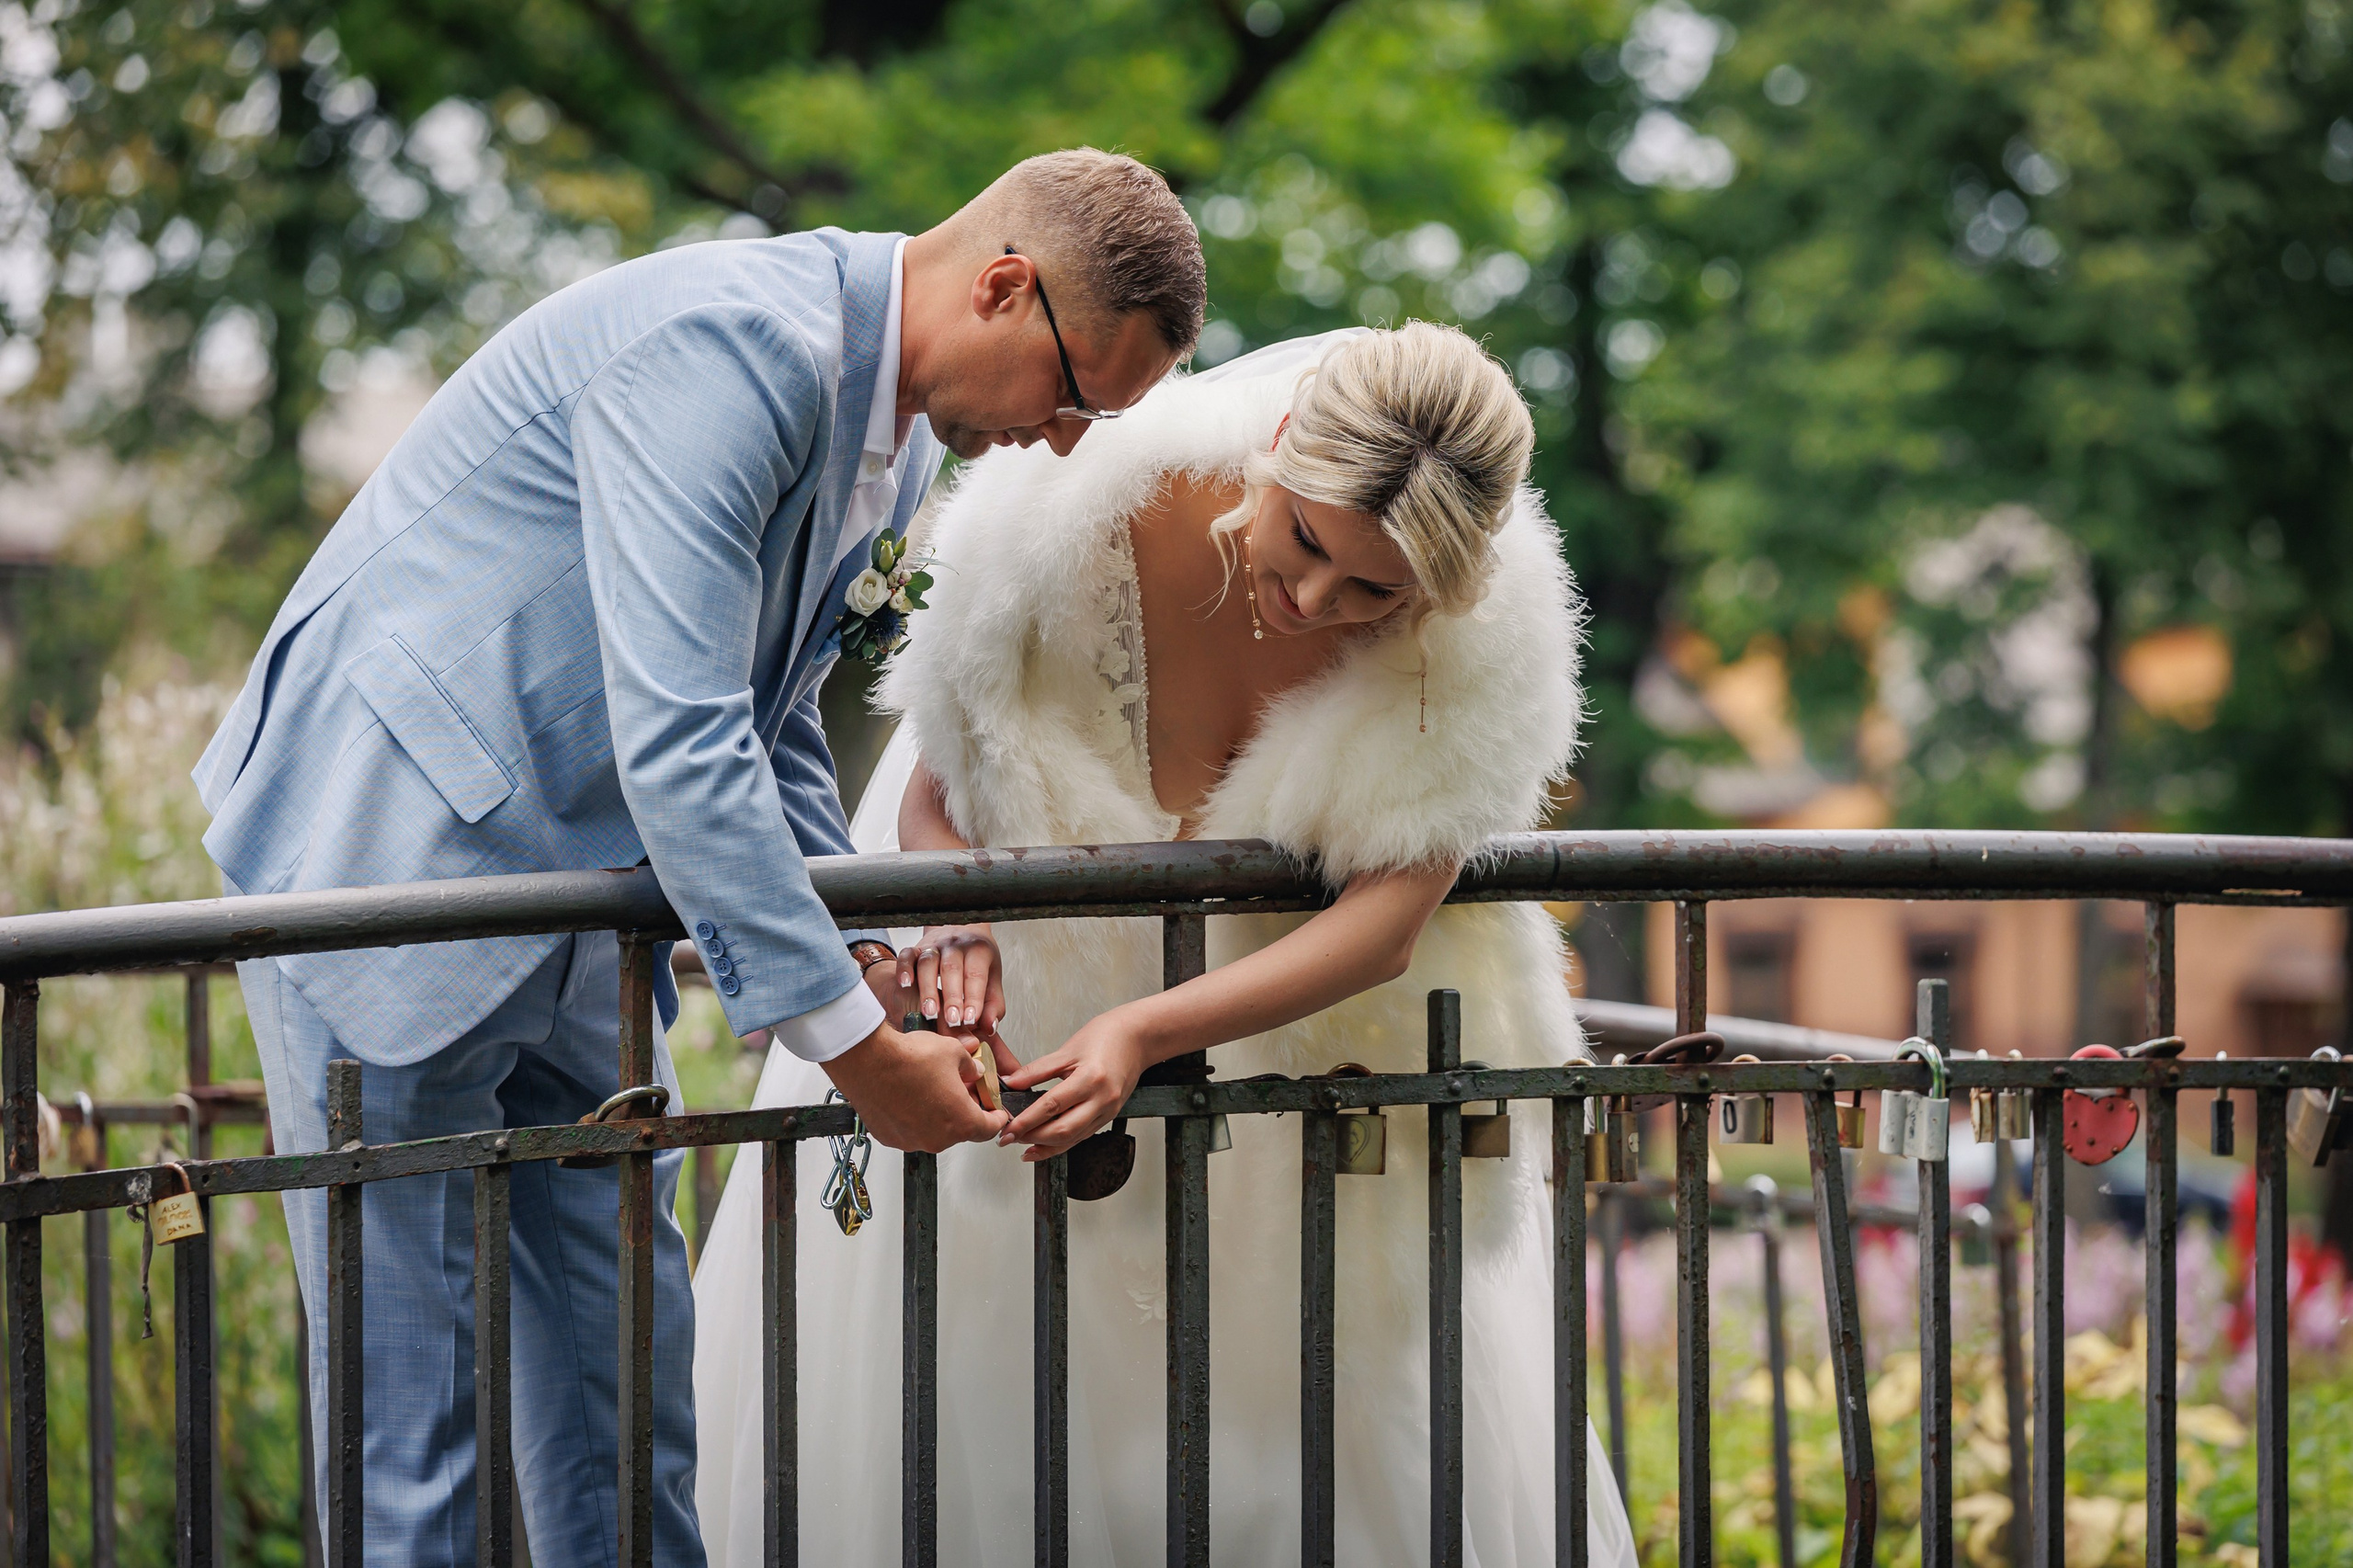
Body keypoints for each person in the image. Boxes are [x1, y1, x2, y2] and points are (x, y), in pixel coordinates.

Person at [191, 150, 1204, 1562]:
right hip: (384, 862)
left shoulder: (906, 431)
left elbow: (770, 708)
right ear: (1003, 287)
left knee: (627, 1405)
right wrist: (857, 1056)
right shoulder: (730, 349)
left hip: (575, 918)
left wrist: (869, 950)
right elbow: (681, 743)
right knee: (414, 1445)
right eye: (1078, 392)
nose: (1064, 440)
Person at [694, 324, 1640, 1566]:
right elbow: (943, 778)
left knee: (1302, 1434)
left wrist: (1142, 1032)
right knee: (998, 1405)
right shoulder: (1077, 510)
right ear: (1285, 441)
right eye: (1304, 540)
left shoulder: (1479, 640)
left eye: (1373, 593)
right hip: (1032, 1034)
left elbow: (1387, 922)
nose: (1315, 601)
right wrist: (959, 907)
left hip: (1291, 1065)